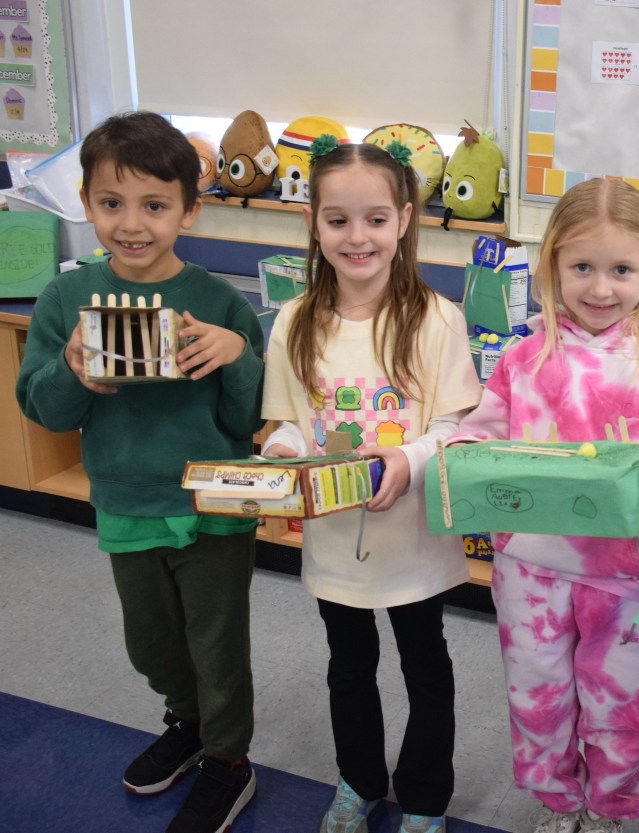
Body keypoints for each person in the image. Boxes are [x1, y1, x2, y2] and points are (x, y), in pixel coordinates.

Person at [452, 177, 639, 833]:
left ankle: (608, 808)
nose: (601, 288)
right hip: (531, 574)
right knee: (537, 696)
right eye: (582, 267)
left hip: (630, 577)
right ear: (552, 266)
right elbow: (478, 442)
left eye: (621, 269)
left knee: (621, 705)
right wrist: (459, 455)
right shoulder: (522, 360)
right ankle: (558, 802)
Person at [16, 111, 264, 833]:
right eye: (111, 203)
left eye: (155, 205)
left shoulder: (219, 303)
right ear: (87, 204)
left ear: (190, 208)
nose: (132, 223)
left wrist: (236, 355)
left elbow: (250, 413)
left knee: (218, 645)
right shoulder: (66, 299)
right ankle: (186, 722)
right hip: (126, 501)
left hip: (213, 504)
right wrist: (70, 373)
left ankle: (228, 760)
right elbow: (44, 410)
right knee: (151, 643)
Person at [259, 139, 481, 833]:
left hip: (413, 542)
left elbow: (456, 423)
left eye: (376, 219)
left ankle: (422, 798)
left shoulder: (436, 318)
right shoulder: (295, 322)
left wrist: (409, 459)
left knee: (426, 667)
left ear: (405, 220)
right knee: (348, 667)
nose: (358, 237)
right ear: (314, 225)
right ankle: (357, 781)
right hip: (333, 543)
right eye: (338, 220)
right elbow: (288, 423)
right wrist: (282, 452)